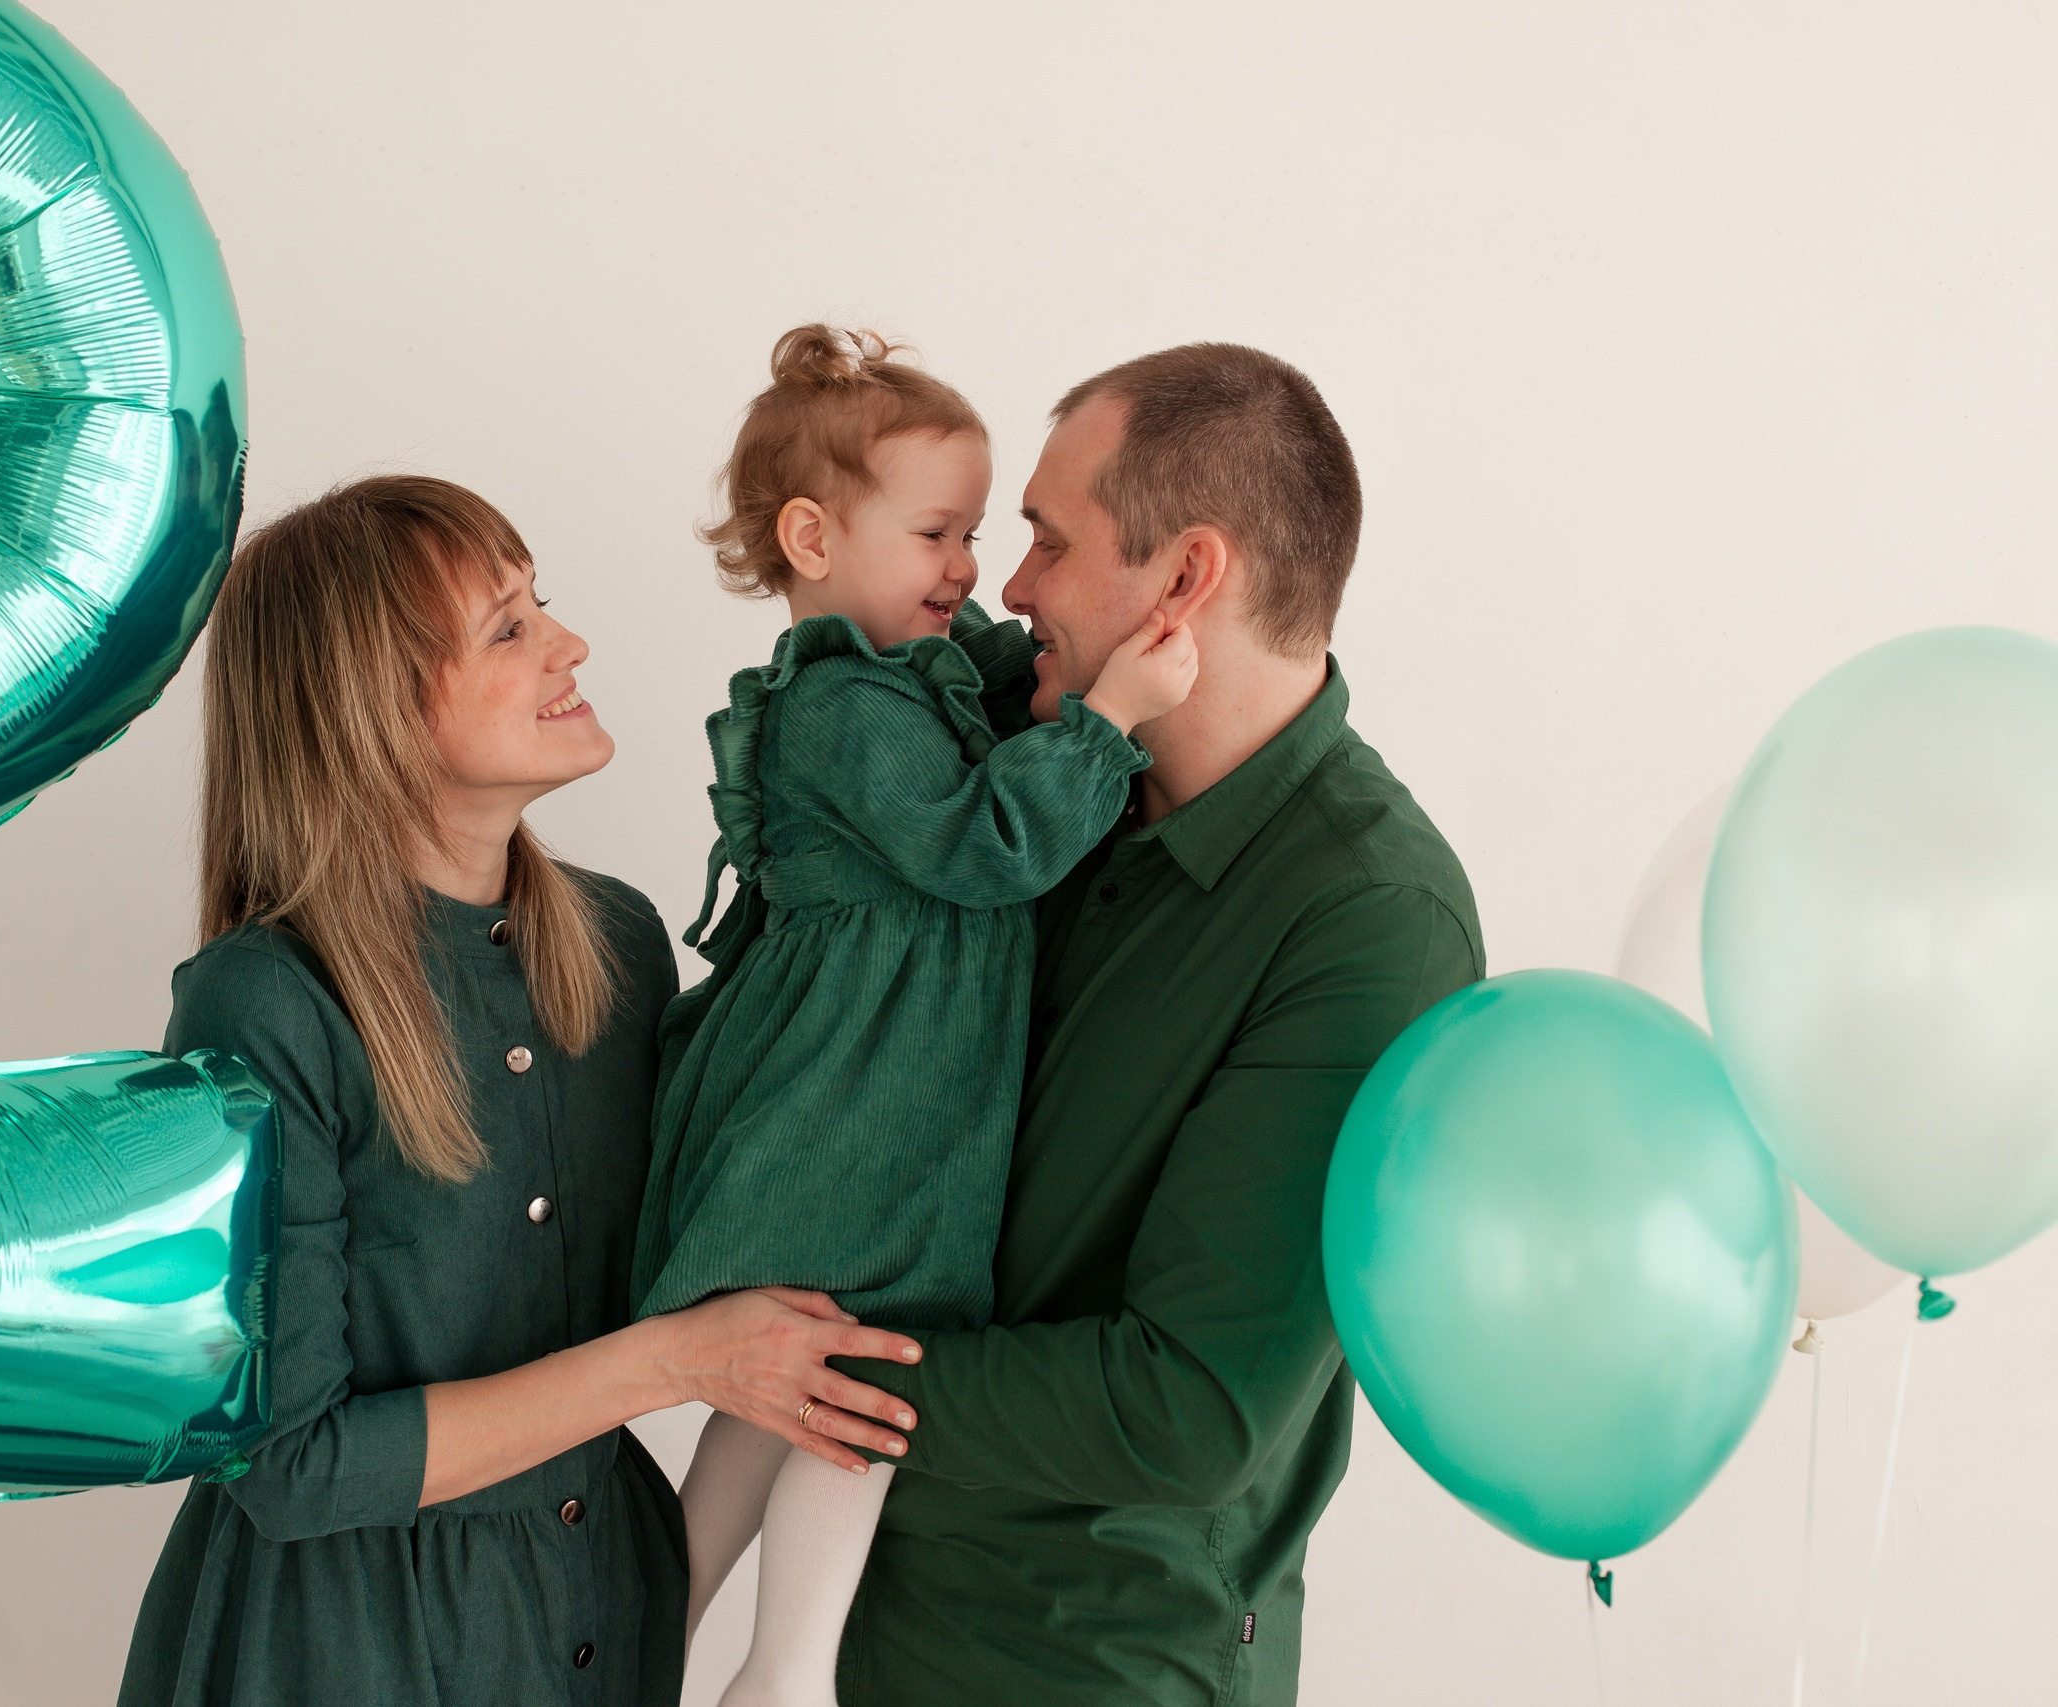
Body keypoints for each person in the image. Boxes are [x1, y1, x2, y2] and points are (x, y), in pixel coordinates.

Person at [116, 476, 926, 1707]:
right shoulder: (265, 1003)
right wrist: (679, 1363)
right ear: (370, 709)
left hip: (597, 1621)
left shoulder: (617, 939)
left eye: (538, 604)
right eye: (508, 626)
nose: (569, 642)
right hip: (331, 1656)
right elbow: (292, 1467)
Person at [832, 345, 1486, 1706]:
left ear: (1185, 579)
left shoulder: (1369, 917)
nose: (1009, 588)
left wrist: (810, 1372)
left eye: (1049, 542)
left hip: (1101, 1668)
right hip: (881, 1627)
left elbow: (1188, 1406)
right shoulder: (1043, 778)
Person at [628, 325, 1197, 1707]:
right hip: (862, 1095)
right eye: (938, 534)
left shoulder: (908, 684)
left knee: (786, 1389)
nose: (968, 571)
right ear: (814, 536)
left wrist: (1071, 662)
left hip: (883, 1076)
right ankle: (787, 1666)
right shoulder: (843, 711)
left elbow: (1000, 680)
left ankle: (656, 1643)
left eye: (977, 533)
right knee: (862, 1370)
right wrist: (1110, 719)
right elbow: (986, 842)